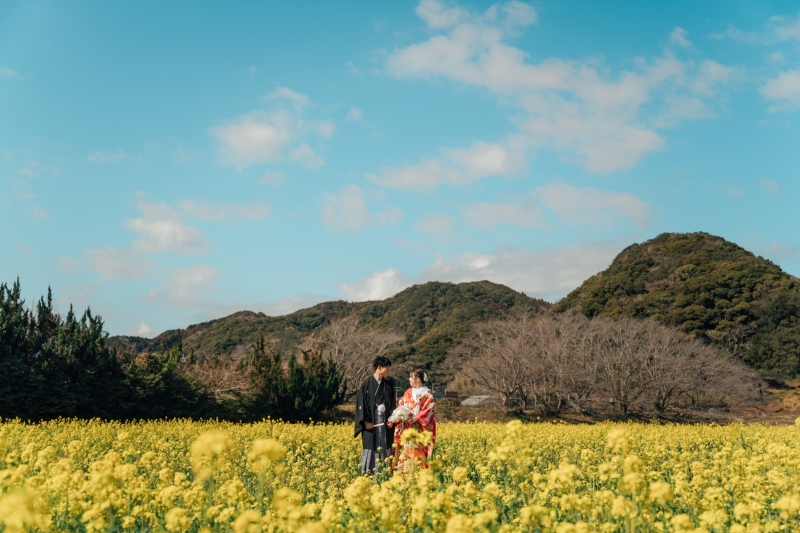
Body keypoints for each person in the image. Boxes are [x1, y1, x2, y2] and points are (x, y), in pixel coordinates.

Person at [354, 356, 395, 476]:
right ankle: (370, 475)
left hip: (385, 422)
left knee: (386, 446)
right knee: (371, 447)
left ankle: (385, 475)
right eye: (387, 368)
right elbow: (361, 405)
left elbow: (392, 404)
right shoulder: (366, 385)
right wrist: (366, 422)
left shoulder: (389, 385)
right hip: (371, 423)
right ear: (379, 367)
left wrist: (391, 420)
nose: (388, 370)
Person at [393, 367, 436, 470]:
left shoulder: (427, 394)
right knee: (405, 452)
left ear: (417, 379)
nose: (409, 379)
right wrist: (400, 415)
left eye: (411, 377)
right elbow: (401, 405)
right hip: (407, 428)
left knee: (418, 453)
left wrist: (417, 417)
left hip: (420, 430)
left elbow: (429, 410)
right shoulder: (407, 392)